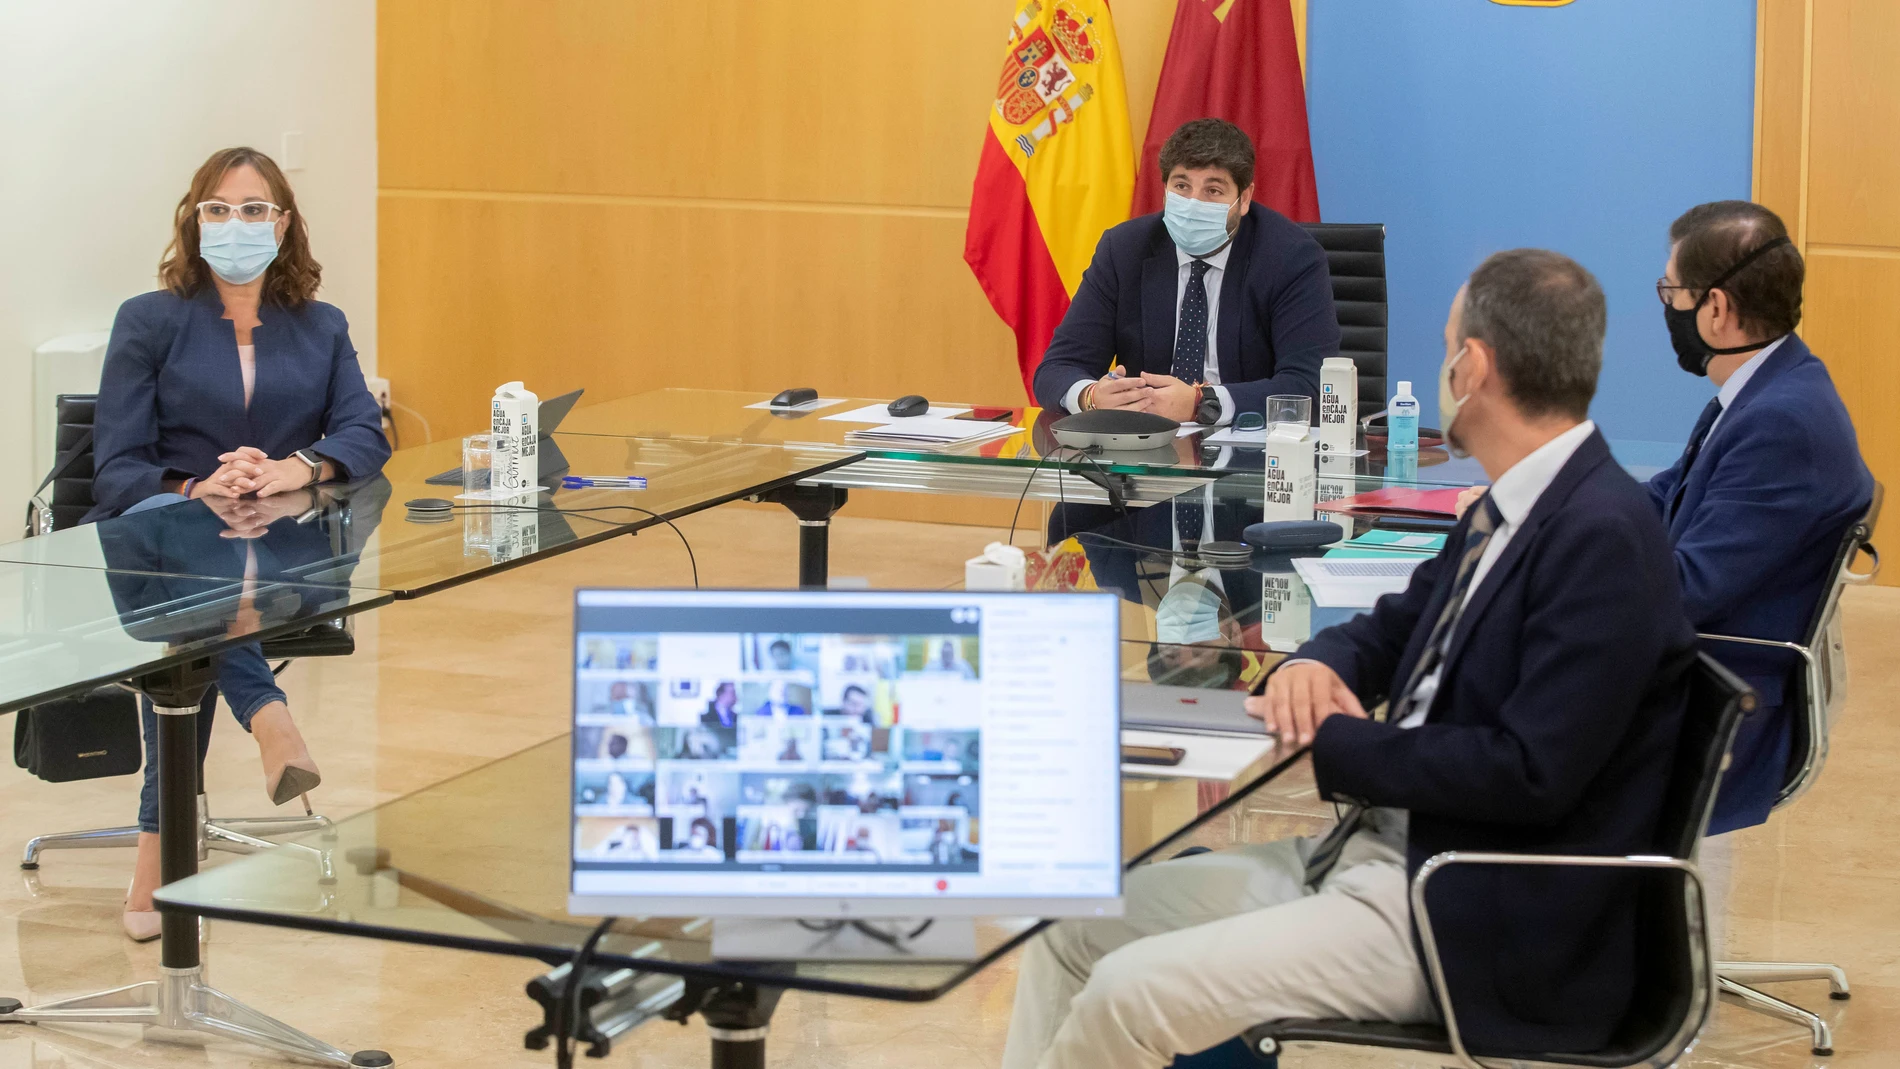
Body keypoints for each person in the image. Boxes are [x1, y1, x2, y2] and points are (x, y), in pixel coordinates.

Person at [1003, 250, 1698, 1069]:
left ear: (1471, 366)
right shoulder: (1515, 501)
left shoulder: (1602, 536)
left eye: (1447, 347)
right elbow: (1394, 625)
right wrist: (1313, 663)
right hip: (1376, 856)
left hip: (1465, 909)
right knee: (1071, 926)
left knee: (1129, 988)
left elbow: (1530, 771)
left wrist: (1333, 741)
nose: (1442, 366)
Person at [92, 147, 389, 942]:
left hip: (286, 553)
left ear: (284, 224)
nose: (236, 224)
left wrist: (296, 465)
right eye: (218, 209)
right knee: (206, 582)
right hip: (163, 546)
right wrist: (199, 487)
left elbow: (366, 430)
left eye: (255, 209)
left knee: (211, 607)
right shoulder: (148, 320)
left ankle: (159, 852)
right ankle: (268, 716)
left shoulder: (322, 327)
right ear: (193, 221)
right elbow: (115, 466)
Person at [1649, 201, 1873, 837]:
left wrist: (1549, 574)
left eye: (1671, 291)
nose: (1666, 306)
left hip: (1722, 709)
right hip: (1707, 675)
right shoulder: (1773, 384)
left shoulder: (1782, 423)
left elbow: (1686, 590)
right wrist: (1552, 508)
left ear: (1715, 310)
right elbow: (1670, 494)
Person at [1031, 118, 1338, 428]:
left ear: (1243, 199)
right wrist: (1092, 396)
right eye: (1181, 186)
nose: (1193, 204)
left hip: (1252, 456)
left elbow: (1309, 387)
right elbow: (1057, 368)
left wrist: (1202, 404)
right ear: (1165, 191)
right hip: (1147, 453)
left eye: (1213, 190)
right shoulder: (1124, 250)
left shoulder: (1290, 256)